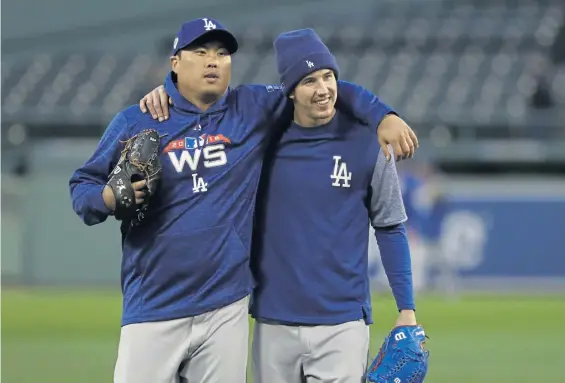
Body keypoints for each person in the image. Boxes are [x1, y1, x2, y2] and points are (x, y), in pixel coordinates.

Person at [70, 18, 417, 383]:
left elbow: (318, 84)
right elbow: (83, 185)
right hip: (153, 305)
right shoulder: (138, 120)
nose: (213, 61)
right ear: (175, 62)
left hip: (225, 309)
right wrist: (105, 198)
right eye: (201, 52)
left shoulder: (251, 108)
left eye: (222, 53)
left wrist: (382, 115)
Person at [244, 28, 418, 383]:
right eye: (309, 80)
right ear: (290, 91)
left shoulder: (370, 144)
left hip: (342, 325)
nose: (323, 89)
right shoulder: (260, 145)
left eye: (328, 76)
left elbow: (390, 227)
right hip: (273, 321)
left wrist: (407, 310)